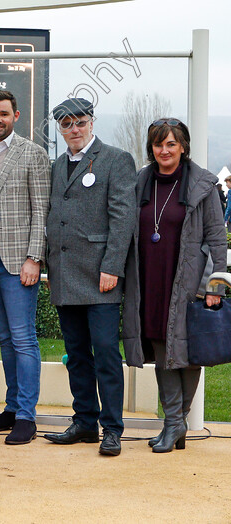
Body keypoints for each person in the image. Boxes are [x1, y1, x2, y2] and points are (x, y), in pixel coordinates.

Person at [123, 119, 226, 453]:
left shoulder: (204, 184)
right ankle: (175, 423)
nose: (163, 151)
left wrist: (215, 286)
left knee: (189, 349)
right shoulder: (141, 181)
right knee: (160, 345)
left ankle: (174, 422)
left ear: (183, 146)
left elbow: (216, 239)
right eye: (157, 144)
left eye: (170, 144)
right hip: (150, 278)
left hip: (188, 282)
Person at [41, 98, 136, 457]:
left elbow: (122, 218)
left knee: (107, 353)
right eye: (66, 124)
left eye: (79, 122)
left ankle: (112, 428)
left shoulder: (116, 159)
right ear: (60, 130)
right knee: (77, 354)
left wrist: (112, 266)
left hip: (101, 277)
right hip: (65, 276)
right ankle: (84, 422)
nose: (74, 129)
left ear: (91, 122)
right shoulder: (57, 165)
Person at [0, 90, 50, 445]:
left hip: (17, 263)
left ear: (16, 115)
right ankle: (12, 407)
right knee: (4, 338)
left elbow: (42, 211)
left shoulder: (33, 154)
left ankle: (27, 417)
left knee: (23, 338)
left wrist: (34, 257)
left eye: (4, 114)